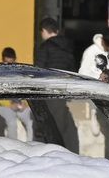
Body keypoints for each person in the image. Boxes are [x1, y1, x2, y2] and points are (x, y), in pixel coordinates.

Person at [31, 17, 80, 151]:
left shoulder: (45, 47)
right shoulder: (68, 48)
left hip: (47, 93)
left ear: (45, 31)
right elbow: (73, 71)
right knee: (61, 130)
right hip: (62, 94)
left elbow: (38, 72)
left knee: (43, 131)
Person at [78, 27, 109, 159]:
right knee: (97, 132)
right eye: (107, 45)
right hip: (96, 96)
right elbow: (82, 73)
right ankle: (94, 113)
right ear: (102, 40)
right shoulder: (91, 52)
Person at [0, 47, 34, 139]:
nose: (9, 66)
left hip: (20, 105)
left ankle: (32, 146)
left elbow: (27, 91)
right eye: (7, 63)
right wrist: (9, 104)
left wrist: (25, 103)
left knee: (31, 121)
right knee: (12, 123)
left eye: (12, 63)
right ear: (3, 60)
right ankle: (12, 147)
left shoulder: (20, 73)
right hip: (4, 106)